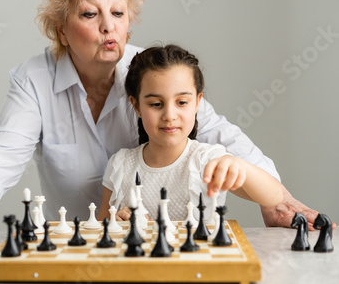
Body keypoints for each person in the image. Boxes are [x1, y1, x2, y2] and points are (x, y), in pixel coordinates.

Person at [0, 0, 329, 243]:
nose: (108, 26)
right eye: (90, 14)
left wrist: (278, 199)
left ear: (130, 25)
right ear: (61, 28)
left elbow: (216, 131)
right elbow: (2, 154)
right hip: (76, 242)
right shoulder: (34, 78)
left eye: (119, 14)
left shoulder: (150, 75)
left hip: (155, 244)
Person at [97, 45, 283, 221]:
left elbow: (274, 197)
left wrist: (240, 166)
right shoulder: (120, 164)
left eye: (182, 102)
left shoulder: (208, 160)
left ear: (197, 103)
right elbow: (101, 228)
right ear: (136, 105)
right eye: (156, 104)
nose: (169, 116)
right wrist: (117, 221)